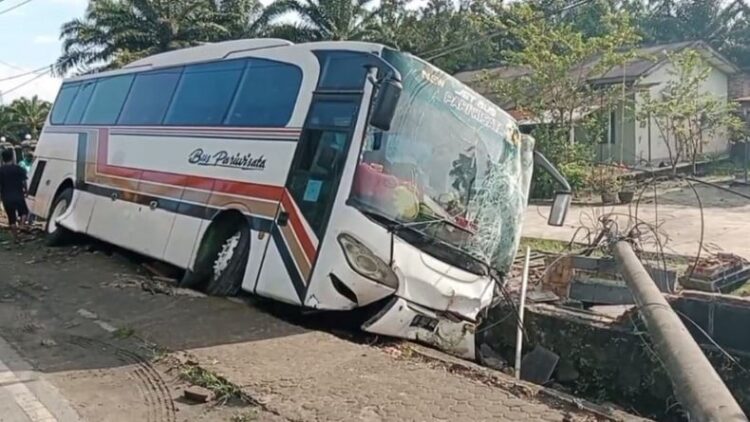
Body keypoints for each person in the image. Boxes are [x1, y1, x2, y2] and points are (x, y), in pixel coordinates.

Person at [0, 149, 29, 242]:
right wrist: (26, 190)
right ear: (12, 157)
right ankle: (22, 224)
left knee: (11, 217)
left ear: (2, 158)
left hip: (6, 196)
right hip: (18, 195)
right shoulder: (19, 169)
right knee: (24, 212)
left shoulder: (1, 170)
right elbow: (24, 182)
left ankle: (16, 238)